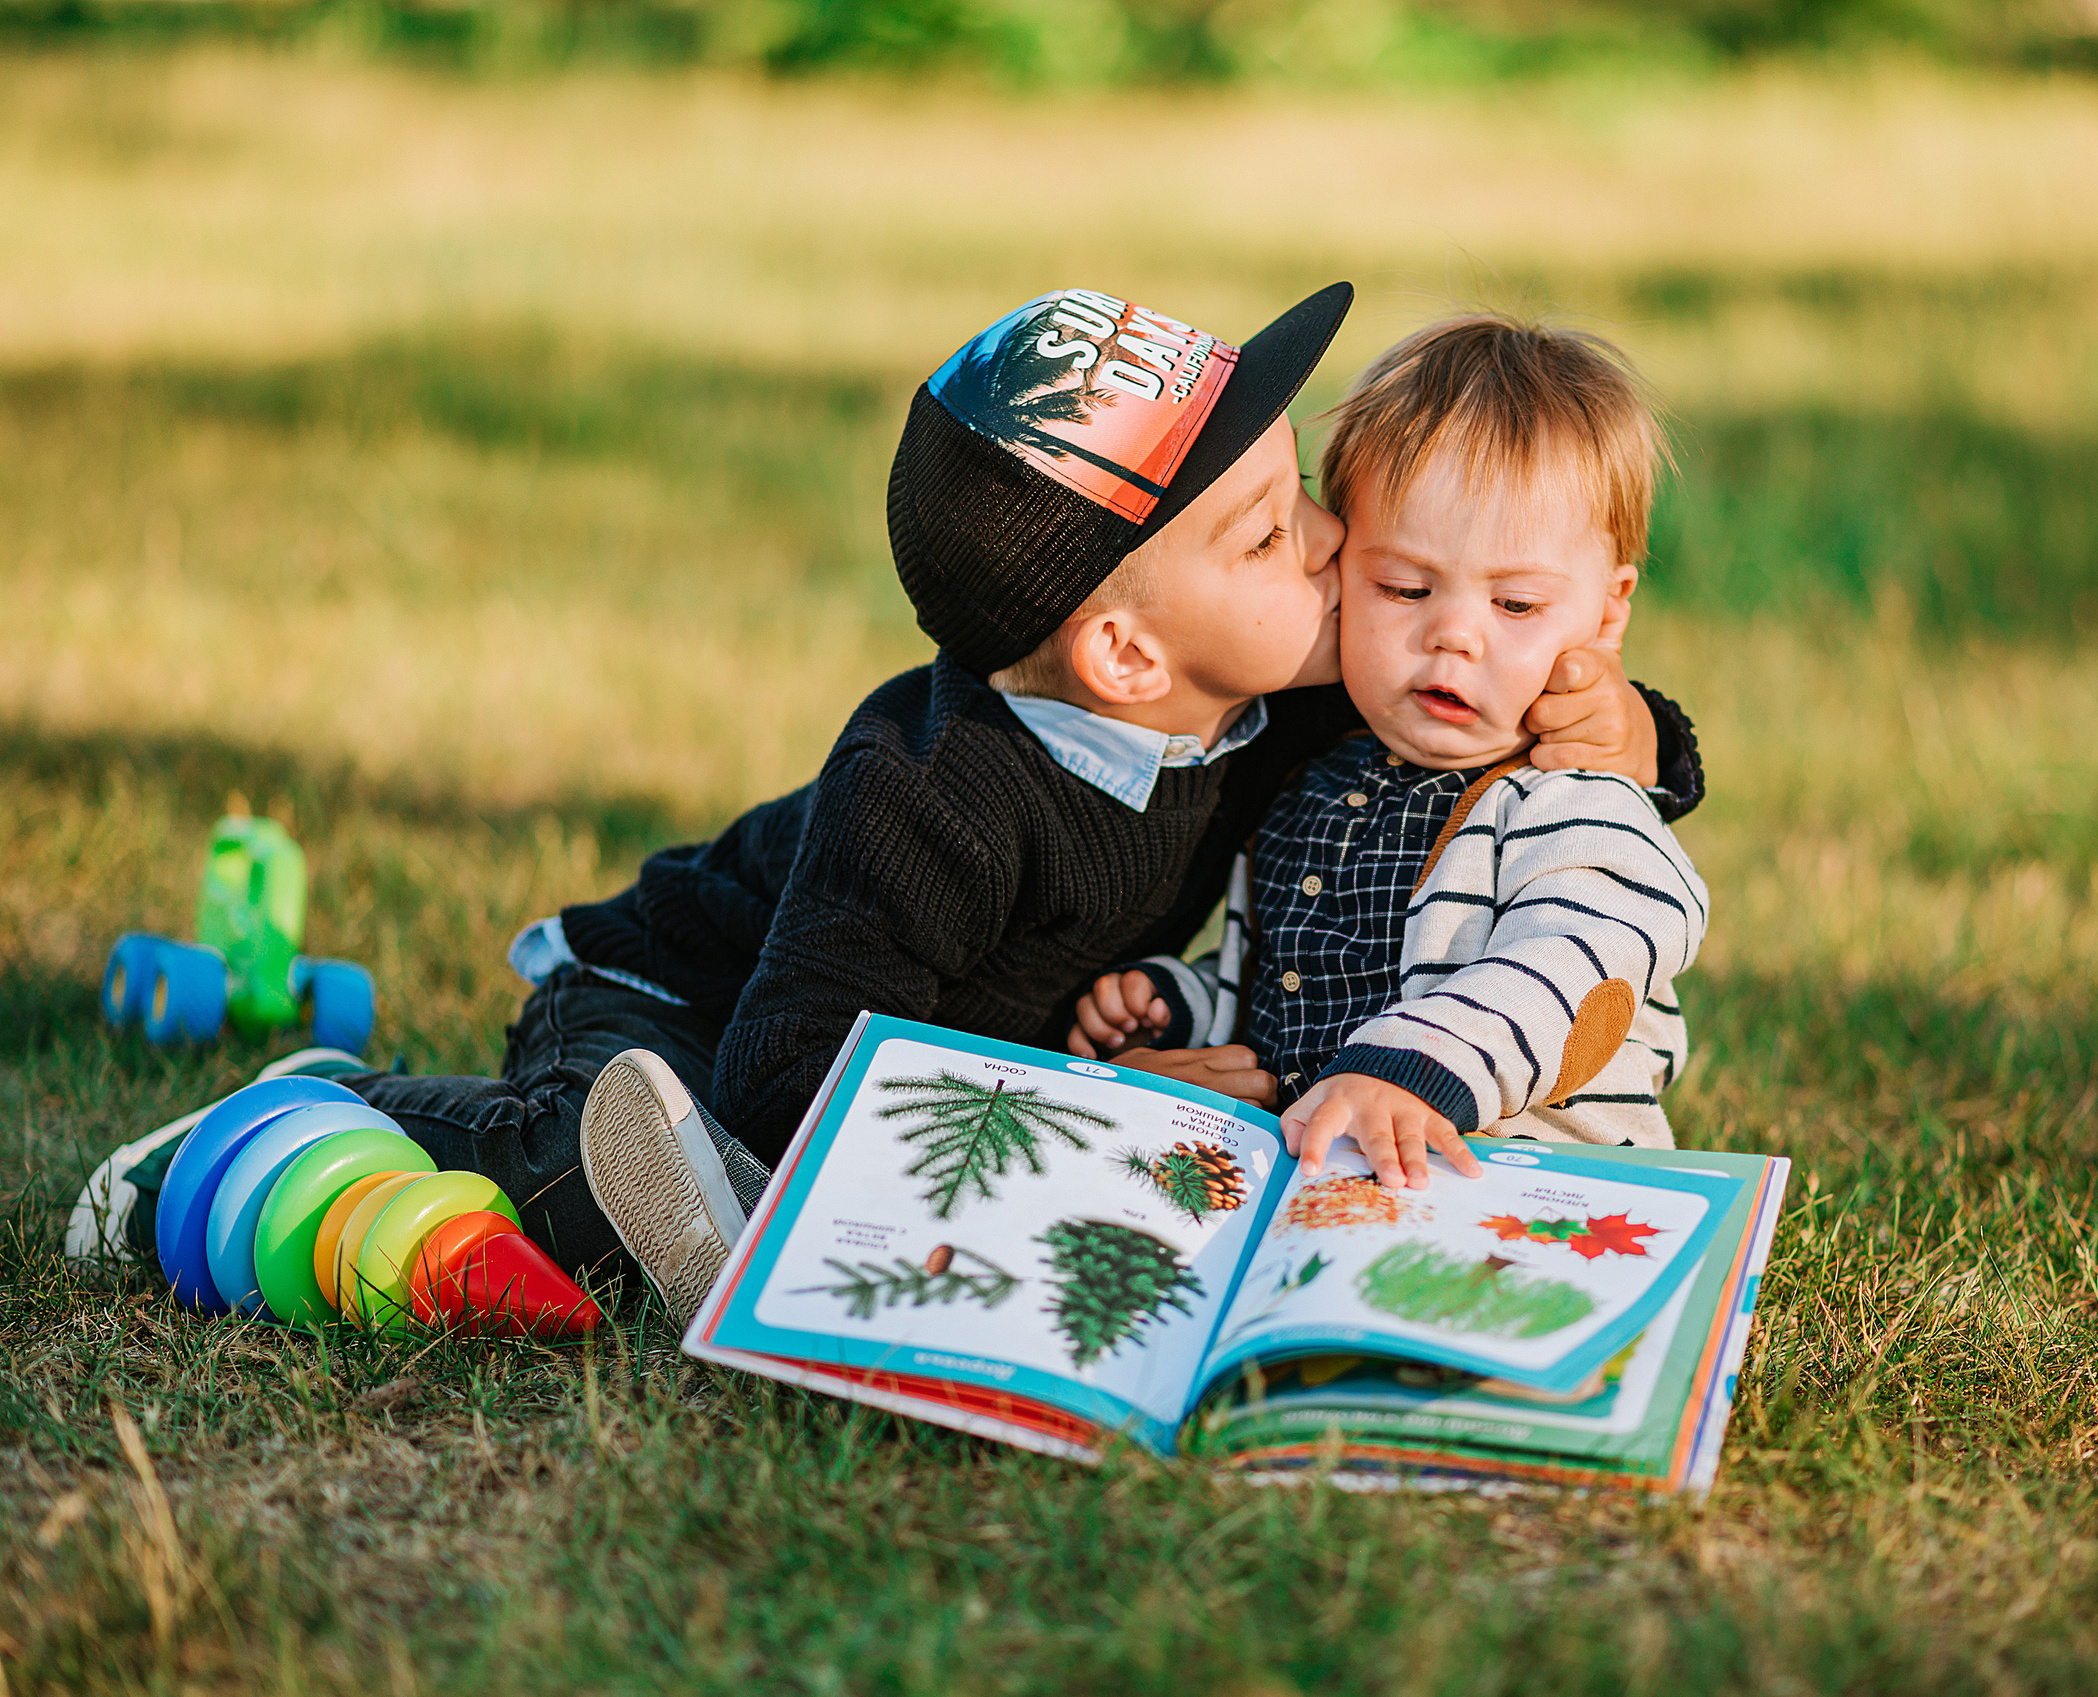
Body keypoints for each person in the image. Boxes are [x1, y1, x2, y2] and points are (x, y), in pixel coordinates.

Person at [69, 284, 1704, 1321]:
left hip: (866, 1039)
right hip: (686, 1008)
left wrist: (1619, 720)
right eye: (1286, 538)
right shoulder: (928, 792)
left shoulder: (1281, 700)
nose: (1349, 565)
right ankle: (335, 1104)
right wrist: (1060, 1116)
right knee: (616, 1180)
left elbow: (1511, 754)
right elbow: (795, 1062)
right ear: (1131, 649)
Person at [1070, 313, 1708, 1190]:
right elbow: (1286, 991)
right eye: (1404, 587)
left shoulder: (1573, 800)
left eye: (1516, 606)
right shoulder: (1310, 783)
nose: (1453, 635)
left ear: (1607, 612)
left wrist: (1407, 1069)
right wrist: (1179, 1004)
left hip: (1518, 1183)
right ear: (1339, 568)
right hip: (1332, 1171)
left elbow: (1572, 961)